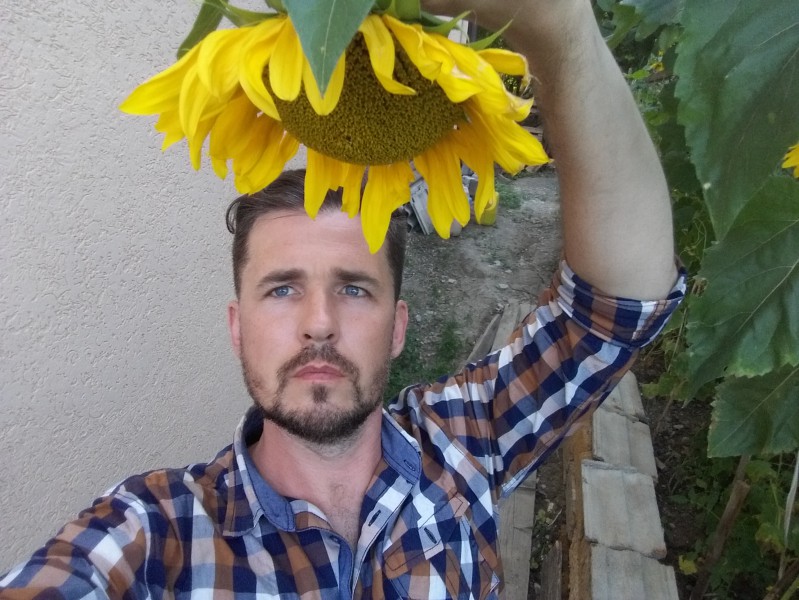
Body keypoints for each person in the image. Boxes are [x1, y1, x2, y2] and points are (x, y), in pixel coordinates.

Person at [0, 0, 685, 598]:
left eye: (354, 289)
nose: (319, 323)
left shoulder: (465, 442)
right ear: (237, 327)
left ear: (398, 326)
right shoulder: (156, 534)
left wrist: (563, 31)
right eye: (282, 289)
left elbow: (616, 312)